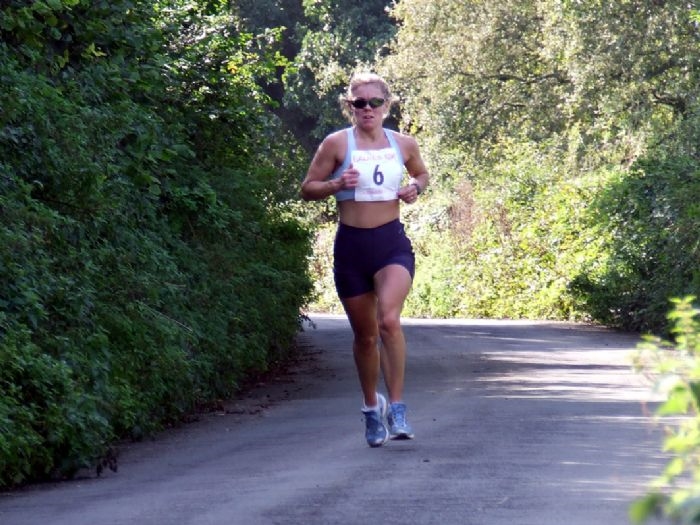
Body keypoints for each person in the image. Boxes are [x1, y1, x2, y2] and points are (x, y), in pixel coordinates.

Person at [300, 72, 429, 447]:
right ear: (350, 106)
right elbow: (308, 188)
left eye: (375, 102)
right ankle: (372, 407)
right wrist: (336, 184)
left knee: (388, 320)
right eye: (360, 103)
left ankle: (398, 408)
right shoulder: (336, 144)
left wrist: (415, 188)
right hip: (352, 247)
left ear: (386, 106)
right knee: (366, 336)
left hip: (391, 244)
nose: (367, 109)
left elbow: (421, 173)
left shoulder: (403, 143)